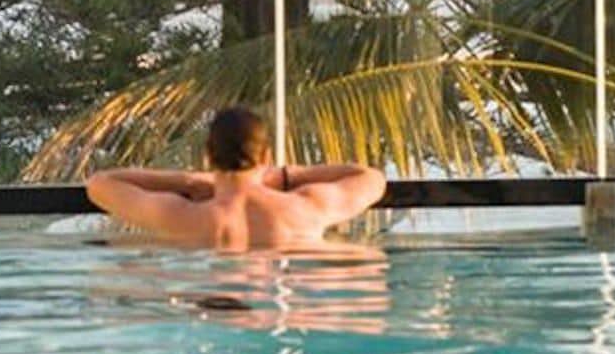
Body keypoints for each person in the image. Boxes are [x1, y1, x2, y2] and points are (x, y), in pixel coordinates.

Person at [85, 106, 389, 251]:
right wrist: (285, 176)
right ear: (266, 155)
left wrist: (189, 181)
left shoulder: (179, 216)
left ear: (208, 155)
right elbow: (371, 178)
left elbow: (100, 183)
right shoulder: (306, 209)